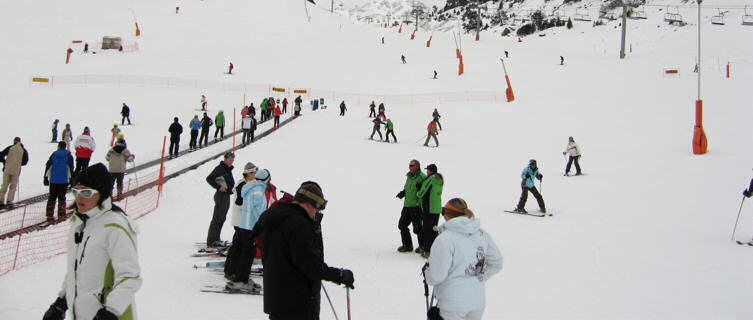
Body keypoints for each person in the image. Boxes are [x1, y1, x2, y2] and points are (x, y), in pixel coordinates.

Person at [42, 163, 141, 320]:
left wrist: (111, 312)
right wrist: (61, 302)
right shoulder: (80, 223)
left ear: (102, 194)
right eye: (76, 191)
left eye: (87, 193)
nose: (79, 198)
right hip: (82, 313)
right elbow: (76, 270)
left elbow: (130, 276)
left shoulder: (115, 226)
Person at [259, 181, 355, 319]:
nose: (316, 213)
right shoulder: (299, 224)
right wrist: (338, 275)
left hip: (277, 300)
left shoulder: (277, 217)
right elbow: (308, 263)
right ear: (309, 204)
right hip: (297, 303)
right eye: (317, 209)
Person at [424, 198, 503, 320]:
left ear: (448, 215)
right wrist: (477, 278)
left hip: (452, 305)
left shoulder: (445, 239)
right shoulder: (481, 234)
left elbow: (436, 276)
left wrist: (427, 272)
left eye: (443, 211)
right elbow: (497, 262)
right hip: (477, 302)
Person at [226, 163, 265, 293]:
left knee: (239, 246)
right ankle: (236, 274)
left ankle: (234, 272)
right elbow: (240, 202)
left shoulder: (248, 186)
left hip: (243, 221)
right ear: (248, 173)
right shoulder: (244, 185)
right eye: (253, 173)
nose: (255, 176)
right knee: (241, 248)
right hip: (243, 221)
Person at [205, 152, 235, 247]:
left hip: (226, 195)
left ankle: (216, 237)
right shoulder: (220, 168)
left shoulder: (226, 169)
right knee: (218, 217)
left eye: (232, 160)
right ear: (225, 159)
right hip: (221, 195)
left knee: (222, 217)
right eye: (230, 160)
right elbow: (209, 178)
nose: (231, 162)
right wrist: (218, 187)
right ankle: (212, 239)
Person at [396, 159, 425, 253]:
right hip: (407, 205)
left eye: (412, 166)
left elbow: (423, 191)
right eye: (409, 165)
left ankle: (422, 246)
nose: (410, 167)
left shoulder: (421, 177)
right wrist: (403, 193)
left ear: (417, 166)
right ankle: (407, 245)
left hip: (416, 206)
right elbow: (408, 188)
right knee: (402, 225)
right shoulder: (409, 176)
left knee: (417, 227)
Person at [417, 164, 443, 257]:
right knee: (434, 230)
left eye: (427, 170)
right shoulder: (439, 180)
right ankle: (436, 250)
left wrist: (418, 192)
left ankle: (428, 251)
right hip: (437, 208)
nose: (426, 172)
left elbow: (422, 192)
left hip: (429, 208)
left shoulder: (431, 179)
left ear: (431, 171)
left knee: (427, 230)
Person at [44, 141, 74, 222]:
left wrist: (45, 177)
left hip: (53, 179)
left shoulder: (54, 155)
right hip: (63, 180)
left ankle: (49, 215)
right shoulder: (69, 156)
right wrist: (72, 180)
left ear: (59, 146)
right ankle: (61, 215)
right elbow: (71, 168)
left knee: (52, 197)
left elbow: (48, 165)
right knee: (62, 198)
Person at [0, 137, 29, 209]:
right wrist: (18, 163)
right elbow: (25, 161)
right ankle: (9, 201)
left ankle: (1, 201)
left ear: (14, 141)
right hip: (16, 171)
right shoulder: (23, 150)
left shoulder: (10, 148)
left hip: (7, 170)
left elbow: (0, 155)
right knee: (13, 186)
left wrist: (5, 162)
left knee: (4, 186)